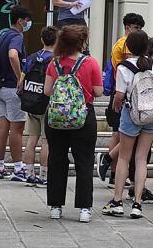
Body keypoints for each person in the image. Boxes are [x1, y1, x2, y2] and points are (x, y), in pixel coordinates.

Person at [102, 30, 153, 219]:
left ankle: (117, 201)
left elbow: (120, 95)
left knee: (123, 158)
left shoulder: (123, 67)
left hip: (132, 114)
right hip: (152, 114)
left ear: (128, 46)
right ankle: (138, 203)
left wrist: (116, 104)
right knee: (141, 159)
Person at [43, 25, 102, 222]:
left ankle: (56, 206)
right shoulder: (90, 63)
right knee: (84, 161)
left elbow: (47, 91)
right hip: (83, 117)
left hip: (56, 119)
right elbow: (99, 91)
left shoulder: (54, 63)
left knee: (57, 159)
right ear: (81, 42)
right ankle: (84, 208)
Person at [97, 13, 145, 188]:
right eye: (136, 28)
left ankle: (113, 167)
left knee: (122, 134)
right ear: (127, 27)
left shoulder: (132, 44)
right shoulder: (122, 45)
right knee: (118, 133)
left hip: (130, 94)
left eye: (140, 28)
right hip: (122, 93)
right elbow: (121, 71)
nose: (139, 31)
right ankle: (112, 170)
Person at [0, 6, 32, 181]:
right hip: (11, 87)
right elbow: (13, 55)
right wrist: (19, 78)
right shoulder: (16, 36)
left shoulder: (4, 35)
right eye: (27, 20)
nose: (28, 23)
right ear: (20, 20)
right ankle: (18, 167)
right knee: (17, 129)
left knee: (2, 128)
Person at [20, 26, 58, 188]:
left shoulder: (31, 57)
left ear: (42, 39)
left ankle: (29, 174)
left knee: (31, 140)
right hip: (47, 103)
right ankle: (44, 176)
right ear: (56, 41)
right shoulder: (55, 60)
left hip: (31, 101)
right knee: (46, 141)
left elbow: (21, 81)